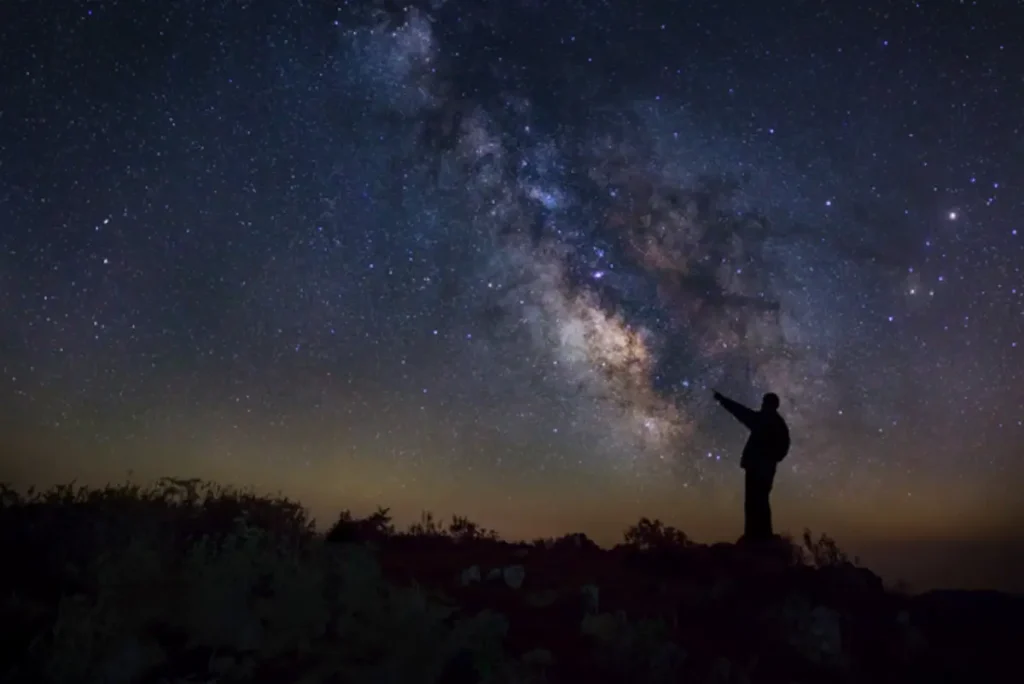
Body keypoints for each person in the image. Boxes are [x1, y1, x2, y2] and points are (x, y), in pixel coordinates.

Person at [712, 390, 790, 542]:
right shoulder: (777, 423)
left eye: (764, 402)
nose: (762, 405)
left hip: (758, 467)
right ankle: (760, 535)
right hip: (764, 467)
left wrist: (723, 400)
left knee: (755, 501)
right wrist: (773, 459)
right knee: (759, 500)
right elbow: (784, 446)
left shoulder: (765, 420)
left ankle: (756, 537)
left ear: (769, 405)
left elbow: (742, 413)